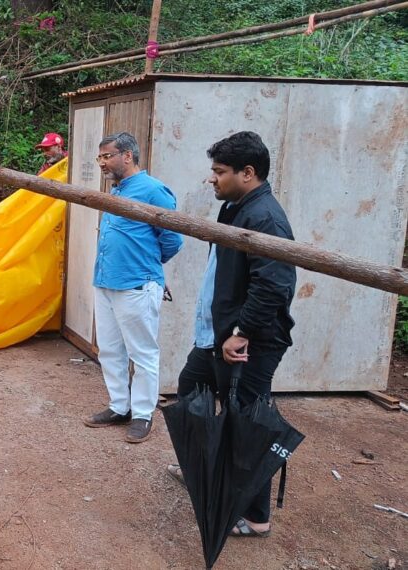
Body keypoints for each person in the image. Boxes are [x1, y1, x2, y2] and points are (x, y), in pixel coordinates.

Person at [167, 131, 296, 537]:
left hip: (248, 342)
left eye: (219, 171)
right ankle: (203, 470)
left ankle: (256, 516)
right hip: (217, 335)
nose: (212, 178)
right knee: (191, 391)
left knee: (246, 422)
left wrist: (241, 332)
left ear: (248, 172)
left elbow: (274, 284)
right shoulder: (235, 208)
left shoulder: (266, 218)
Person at [82, 132, 183, 443]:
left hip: (136, 285)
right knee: (110, 349)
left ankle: (142, 414)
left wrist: (148, 266)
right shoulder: (117, 190)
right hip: (106, 282)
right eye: (99, 157)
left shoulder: (153, 191)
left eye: (107, 156)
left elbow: (172, 239)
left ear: (127, 156)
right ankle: (119, 406)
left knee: (142, 352)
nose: (101, 163)